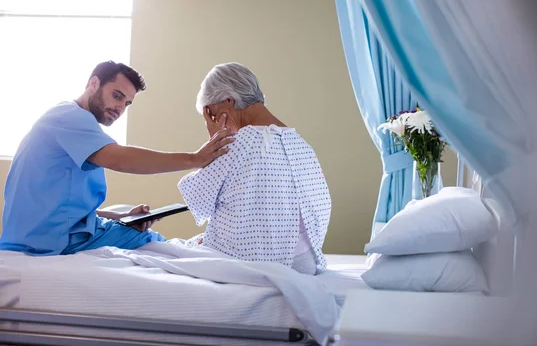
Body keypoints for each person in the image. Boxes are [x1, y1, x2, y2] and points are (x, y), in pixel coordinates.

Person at [0, 61, 235, 256]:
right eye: (116, 96)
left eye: (127, 103)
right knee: (153, 243)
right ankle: (196, 251)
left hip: (37, 232)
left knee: (125, 216)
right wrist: (195, 159)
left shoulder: (66, 119)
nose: (120, 107)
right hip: (47, 242)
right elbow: (120, 159)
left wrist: (119, 216)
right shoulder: (70, 117)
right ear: (93, 84)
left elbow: (59, 204)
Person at [177, 62, 331, 275]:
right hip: (306, 261)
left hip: (253, 263)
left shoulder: (237, 145)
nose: (213, 122)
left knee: (171, 249)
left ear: (228, 101)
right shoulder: (300, 143)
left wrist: (214, 141)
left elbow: (198, 200)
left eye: (212, 113)